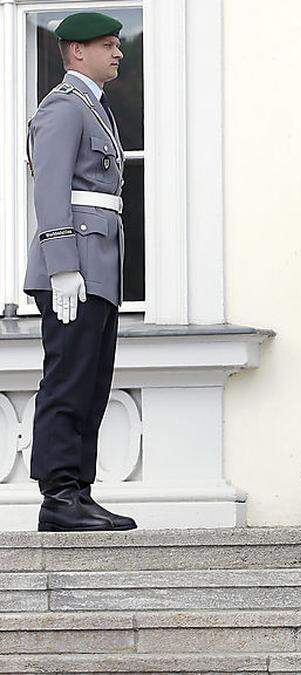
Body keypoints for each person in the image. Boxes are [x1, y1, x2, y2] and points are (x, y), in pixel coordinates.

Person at [23, 11, 137, 532]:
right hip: (72, 268)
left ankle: (79, 490)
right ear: (75, 52)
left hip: (98, 267)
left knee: (92, 382)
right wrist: (62, 264)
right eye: (108, 45)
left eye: (117, 44)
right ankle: (57, 495)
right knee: (68, 380)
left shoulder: (98, 109)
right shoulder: (64, 109)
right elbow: (50, 192)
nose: (118, 53)